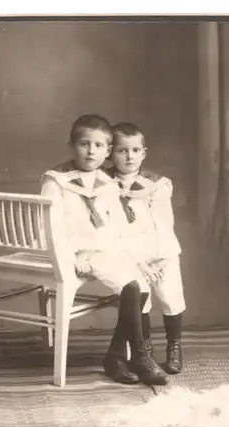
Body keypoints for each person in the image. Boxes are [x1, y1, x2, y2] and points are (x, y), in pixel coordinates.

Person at [41, 114, 169, 386]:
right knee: (132, 287)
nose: (91, 151)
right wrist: (74, 255)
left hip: (100, 252)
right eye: (84, 144)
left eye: (99, 146)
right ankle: (138, 357)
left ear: (108, 151)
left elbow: (116, 229)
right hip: (68, 253)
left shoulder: (107, 183)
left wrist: (136, 261)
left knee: (137, 285)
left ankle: (120, 356)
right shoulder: (56, 180)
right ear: (71, 145)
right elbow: (50, 229)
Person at [107, 122, 186, 374]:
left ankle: (174, 344)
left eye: (135, 150)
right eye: (122, 150)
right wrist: (137, 261)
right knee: (140, 300)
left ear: (144, 152)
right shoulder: (103, 184)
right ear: (110, 152)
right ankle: (145, 347)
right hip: (129, 255)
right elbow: (113, 230)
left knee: (169, 295)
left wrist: (160, 259)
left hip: (161, 252)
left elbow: (164, 224)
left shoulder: (157, 184)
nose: (129, 156)